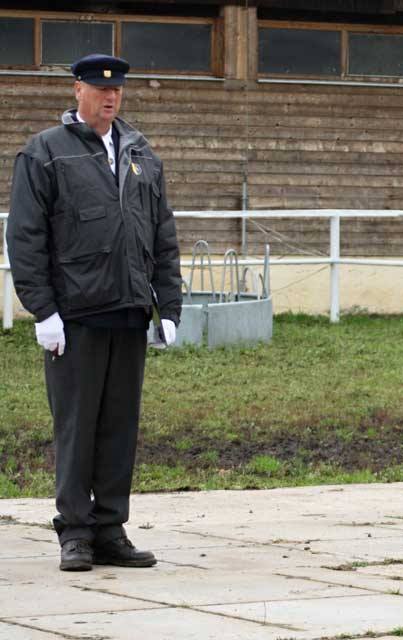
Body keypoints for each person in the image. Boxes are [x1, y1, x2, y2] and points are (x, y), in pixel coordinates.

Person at [6, 54, 183, 571]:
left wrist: (167, 305)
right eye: (100, 89)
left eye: (118, 91)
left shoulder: (141, 153)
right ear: (78, 90)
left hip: (128, 311)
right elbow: (26, 238)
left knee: (118, 427)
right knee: (77, 427)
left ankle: (110, 528)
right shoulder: (45, 153)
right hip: (75, 317)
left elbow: (162, 236)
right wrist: (42, 311)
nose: (111, 98)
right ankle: (75, 533)